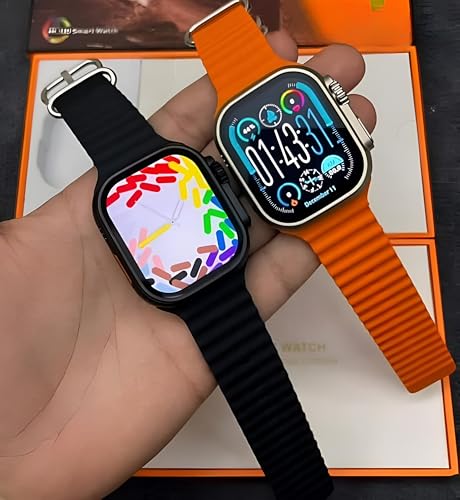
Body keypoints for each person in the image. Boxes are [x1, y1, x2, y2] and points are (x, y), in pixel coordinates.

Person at [0, 31, 376, 499]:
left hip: (211, 276)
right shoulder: (122, 197)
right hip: (195, 290)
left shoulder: (159, 176)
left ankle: (305, 484)